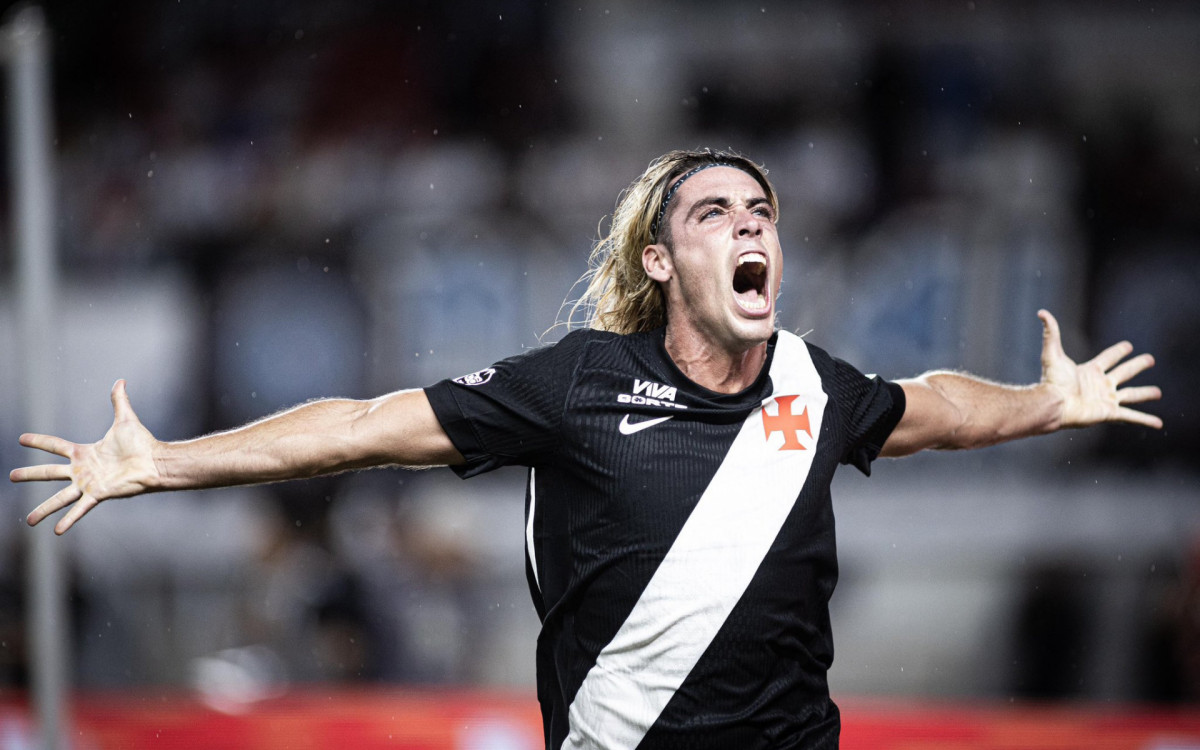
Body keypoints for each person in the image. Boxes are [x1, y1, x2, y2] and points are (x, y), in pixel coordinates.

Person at [12, 149, 1161, 749]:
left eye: (762, 214)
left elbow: (936, 406)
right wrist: (163, 462)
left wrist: (1042, 403)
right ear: (659, 261)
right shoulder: (574, 385)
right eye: (715, 213)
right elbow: (360, 427)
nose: (751, 226)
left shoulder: (815, 385)